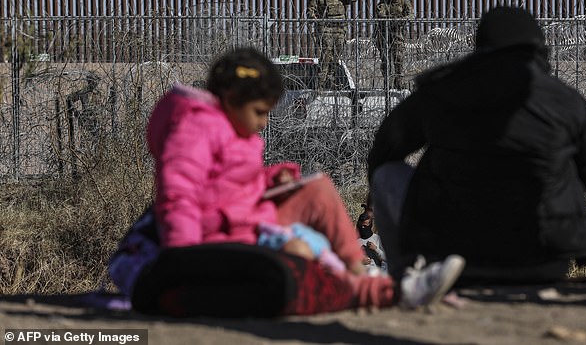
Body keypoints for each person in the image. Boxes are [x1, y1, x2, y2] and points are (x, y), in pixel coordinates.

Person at [113, 47, 464, 316]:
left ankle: (362, 273)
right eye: (261, 112)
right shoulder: (194, 130)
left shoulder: (233, 128)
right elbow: (182, 197)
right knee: (298, 257)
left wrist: (269, 178)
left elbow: (229, 185)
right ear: (233, 100)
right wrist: (186, 261)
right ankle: (386, 291)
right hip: (215, 240)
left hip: (249, 221)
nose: (265, 123)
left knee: (318, 190)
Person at [367, 6, 586, 285]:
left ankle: (407, 277)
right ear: (539, 47)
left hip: (456, 260)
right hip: (542, 262)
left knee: (386, 176)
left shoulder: (443, 91)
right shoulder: (566, 100)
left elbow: (383, 153)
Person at [307, 0, 358, 89]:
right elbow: (310, 11)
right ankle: (320, 82)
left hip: (340, 29)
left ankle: (331, 78)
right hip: (326, 29)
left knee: (336, 55)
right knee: (326, 54)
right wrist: (315, 19)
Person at [373, 0, 414, 89]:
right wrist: (390, 19)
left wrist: (401, 20)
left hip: (398, 35)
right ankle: (388, 83)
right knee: (385, 60)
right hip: (384, 35)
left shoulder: (404, 2)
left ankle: (399, 82)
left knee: (398, 58)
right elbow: (380, 14)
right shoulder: (384, 3)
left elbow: (411, 15)